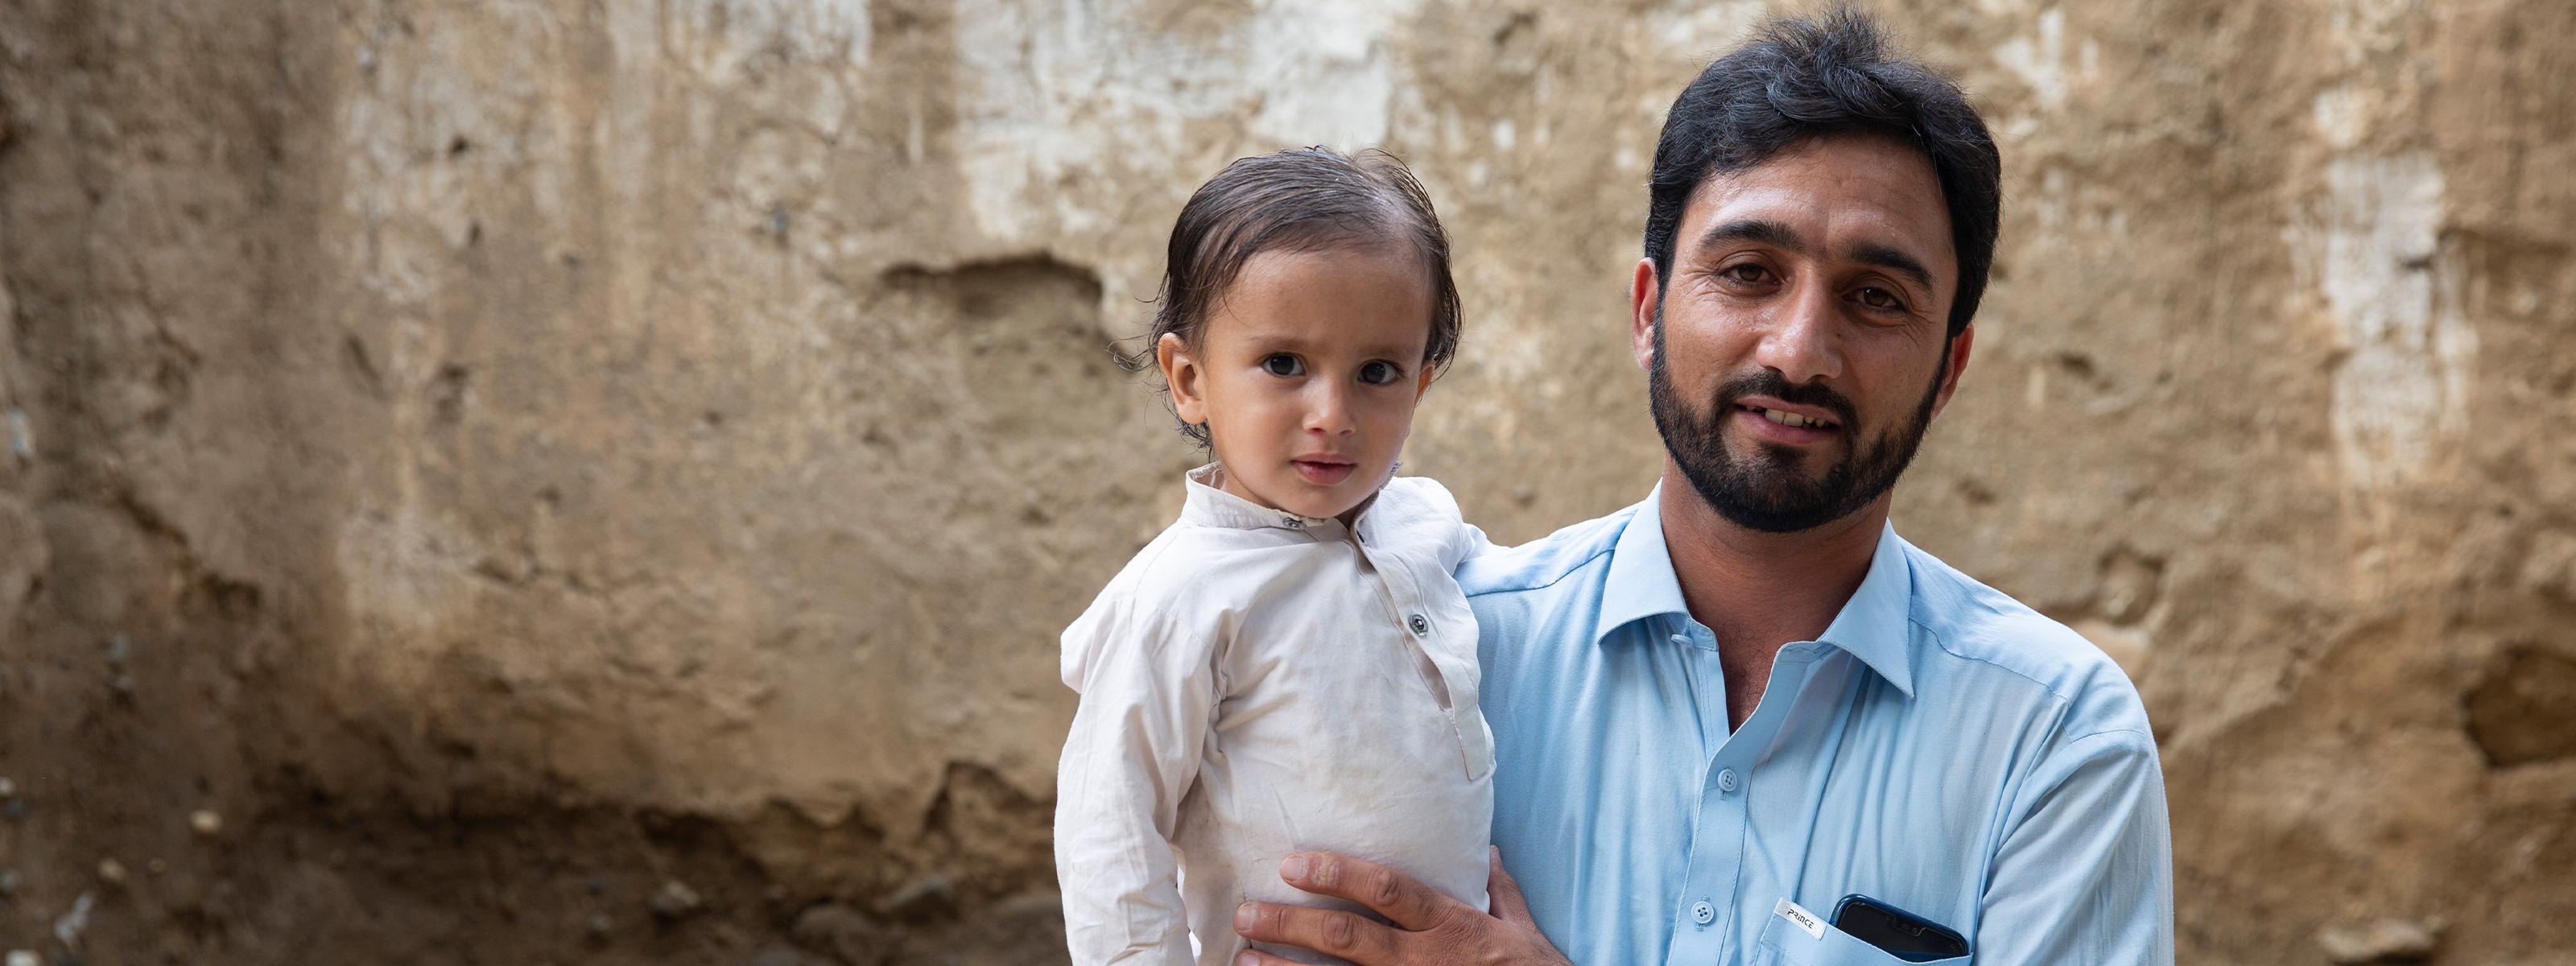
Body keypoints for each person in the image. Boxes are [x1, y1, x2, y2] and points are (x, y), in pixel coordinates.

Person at [1229, 10, 2175, 966]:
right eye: (1748, 272)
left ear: (1947, 370)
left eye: (1874, 297)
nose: (1798, 352)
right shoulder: (1440, 657)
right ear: (1647, 312)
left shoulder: (2052, 739)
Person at [1054, 147, 1498, 966]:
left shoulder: (1424, 522)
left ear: (1420, 387)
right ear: (1190, 379)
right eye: (1284, 365)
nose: (1332, 414)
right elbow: (1109, 838)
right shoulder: (1179, 597)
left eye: (1376, 372)